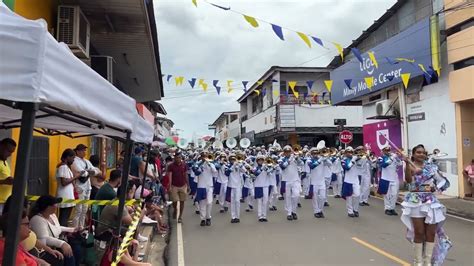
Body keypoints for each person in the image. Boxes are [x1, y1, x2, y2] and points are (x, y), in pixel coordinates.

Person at [401, 144, 450, 266]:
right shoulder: (410, 167)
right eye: (418, 152)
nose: (421, 154)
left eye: (423, 152)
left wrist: (434, 188)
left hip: (430, 202)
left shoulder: (431, 167)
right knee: (419, 232)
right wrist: (407, 164)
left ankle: (428, 261)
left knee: (431, 233)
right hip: (415, 201)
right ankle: (418, 261)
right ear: (413, 154)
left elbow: (442, 181)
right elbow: (408, 181)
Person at [29, 196, 79, 266]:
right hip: (44, 250)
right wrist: (62, 244)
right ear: (47, 207)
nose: (57, 206)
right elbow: (45, 240)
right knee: (68, 255)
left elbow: (57, 228)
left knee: (76, 248)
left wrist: (72, 229)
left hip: (55, 245)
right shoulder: (37, 219)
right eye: (54, 204)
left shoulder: (52, 215)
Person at [71, 144, 94, 228]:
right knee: (78, 209)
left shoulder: (86, 161)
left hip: (88, 186)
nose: (84, 152)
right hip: (80, 187)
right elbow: (82, 173)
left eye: (85, 150)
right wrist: (89, 172)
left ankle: (81, 227)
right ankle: (75, 228)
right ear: (77, 151)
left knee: (85, 209)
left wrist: (88, 171)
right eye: (82, 150)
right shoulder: (75, 161)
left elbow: (95, 170)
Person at [278, 146, 303, 221]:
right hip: (286, 180)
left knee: (296, 195)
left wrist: (297, 158)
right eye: (286, 152)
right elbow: (283, 167)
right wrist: (289, 160)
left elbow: (301, 163)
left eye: (289, 152)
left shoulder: (294, 158)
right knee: (287, 197)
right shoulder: (281, 159)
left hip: (295, 179)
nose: (287, 153)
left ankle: (294, 211)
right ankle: (289, 213)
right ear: (284, 152)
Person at [192, 152, 217, 226]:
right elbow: (196, 172)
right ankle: (203, 219)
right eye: (203, 156)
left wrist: (209, 164)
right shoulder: (198, 164)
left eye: (206, 156)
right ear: (201, 157)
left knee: (209, 202)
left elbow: (215, 172)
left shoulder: (211, 164)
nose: (205, 158)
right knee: (202, 203)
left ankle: (208, 218)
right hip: (201, 186)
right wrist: (201, 166)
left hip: (209, 186)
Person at [56, 149, 78, 226]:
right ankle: (61, 234)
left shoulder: (66, 167)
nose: (73, 160)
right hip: (65, 195)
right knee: (64, 218)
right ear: (68, 157)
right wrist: (76, 177)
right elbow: (64, 182)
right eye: (73, 158)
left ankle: (63, 234)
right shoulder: (63, 167)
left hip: (67, 195)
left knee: (65, 217)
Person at [377, 146, 402, 215]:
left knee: (394, 194)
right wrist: (392, 157)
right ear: (383, 151)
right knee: (387, 195)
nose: (388, 151)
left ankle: (392, 208)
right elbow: (384, 165)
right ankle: (387, 208)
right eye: (386, 150)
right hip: (386, 178)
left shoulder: (394, 157)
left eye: (389, 150)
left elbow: (400, 164)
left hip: (394, 179)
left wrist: (397, 157)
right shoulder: (381, 158)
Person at [167, 152, 188, 223]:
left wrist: (188, 185)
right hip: (174, 186)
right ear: (175, 158)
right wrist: (169, 186)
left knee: (182, 201)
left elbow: (185, 174)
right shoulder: (171, 166)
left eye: (179, 157)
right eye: (177, 157)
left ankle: (180, 216)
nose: (178, 159)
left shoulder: (184, 165)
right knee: (174, 201)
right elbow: (170, 176)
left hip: (183, 185)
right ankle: (175, 209)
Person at [225, 154, 246, 223]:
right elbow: (227, 173)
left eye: (234, 159)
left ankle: (238, 216)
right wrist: (233, 166)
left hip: (238, 185)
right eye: (231, 160)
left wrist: (241, 165)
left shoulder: (239, 165)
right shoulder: (227, 166)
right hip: (231, 185)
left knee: (237, 201)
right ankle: (233, 217)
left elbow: (244, 171)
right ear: (230, 160)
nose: (233, 161)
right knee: (232, 202)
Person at [341, 147, 361, 218]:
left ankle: (355, 209)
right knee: (349, 196)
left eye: (351, 152)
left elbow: (362, 166)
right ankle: (350, 211)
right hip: (348, 180)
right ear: (345, 153)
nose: (350, 153)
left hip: (356, 180)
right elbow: (347, 168)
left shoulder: (357, 159)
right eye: (348, 152)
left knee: (357, 195)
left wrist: (362, 159)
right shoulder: (344, 160)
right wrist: (353, 160)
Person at [306, 148, 325, 218]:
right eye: (314, 153)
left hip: (322, 181)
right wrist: (320, 160)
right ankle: (316, 211)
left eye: (317, 153)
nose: (315, 155)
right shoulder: (309, 160)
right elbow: (312, 166)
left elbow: (330, 164)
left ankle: (320, 210)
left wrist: (326, 158)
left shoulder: (322, 159)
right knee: (315, 198)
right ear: (311, 154)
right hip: (314, 182)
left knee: (323, 197)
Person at [0, 138, 16, 214]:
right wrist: (4, 181)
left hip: (5, 201)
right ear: (1, 147)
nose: (10, 154)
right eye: (8, 151)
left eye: (12, 152)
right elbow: (4, 180)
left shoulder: (4, 161)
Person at [253, 155, 270, 222]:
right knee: (259, 201)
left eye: (262, 160)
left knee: (265, 201)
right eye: (259, 160)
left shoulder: (266, 167)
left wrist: (270, 168)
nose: (261, 161)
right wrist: (261, 169)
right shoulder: (255, 168)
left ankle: (264, 215)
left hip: (265, 186)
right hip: (258, 186)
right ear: (257, 161)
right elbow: (255, 174)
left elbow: (271, 173)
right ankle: (260, 216)